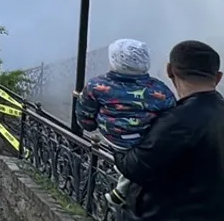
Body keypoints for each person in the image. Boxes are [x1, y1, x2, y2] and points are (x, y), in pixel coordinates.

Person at [110, 40, 224, 221]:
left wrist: (116, 138)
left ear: (170, 71)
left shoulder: (175, 120)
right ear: (218, 77)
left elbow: (134, 167)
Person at [73, 38, 176, 206]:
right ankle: (124, 187)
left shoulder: (96, 85)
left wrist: (88, 126)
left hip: (115, 137)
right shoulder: (159, 89)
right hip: (146, 140)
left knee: (128, 157)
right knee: (145, 157)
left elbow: (85, 111)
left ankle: (122, 186)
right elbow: (171, 115)